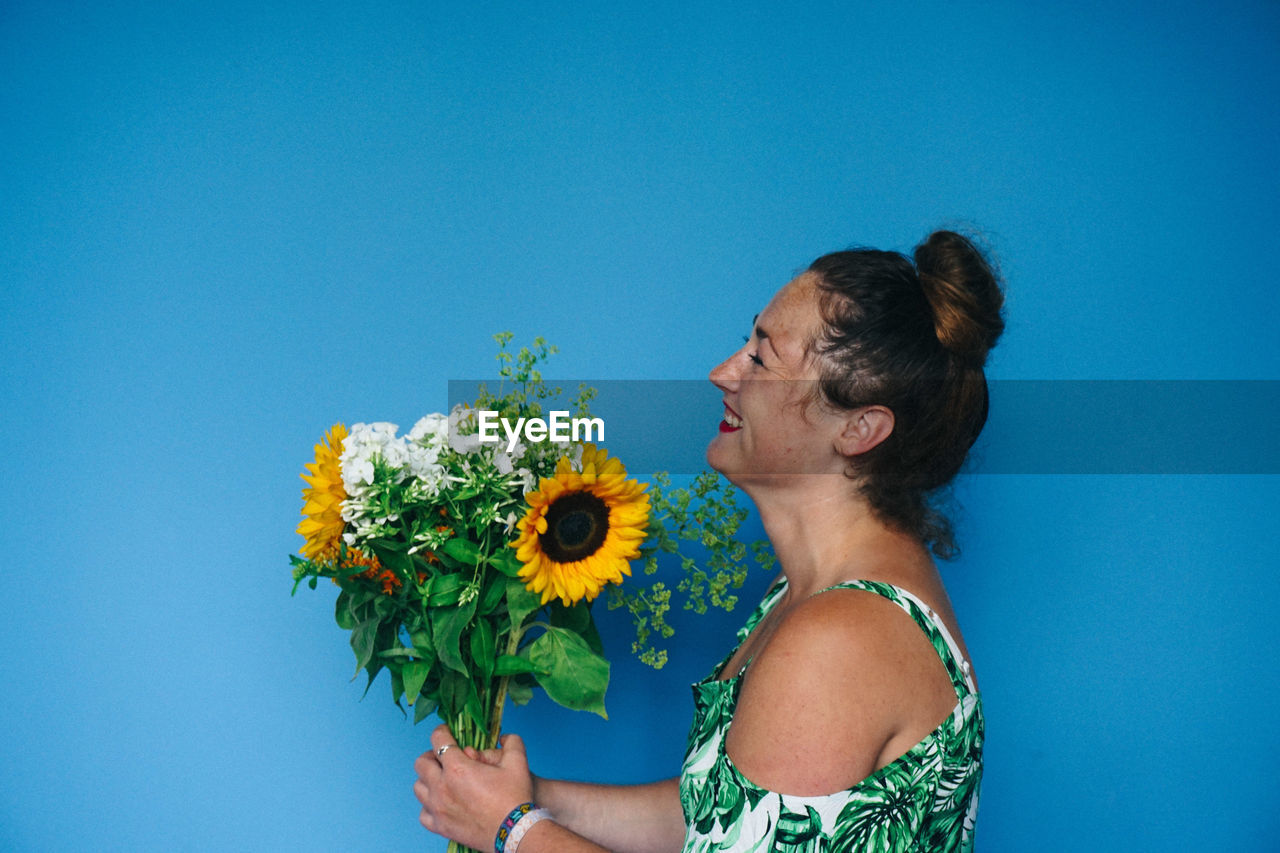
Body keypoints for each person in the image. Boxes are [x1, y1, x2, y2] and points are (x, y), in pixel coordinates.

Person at [414, 229, 1005, 852]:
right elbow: (725, 817)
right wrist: (531, 799)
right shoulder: (810, 596)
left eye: (762, 357)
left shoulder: (840, 638)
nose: (722, 373)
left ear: (858, 427)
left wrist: (511, 830)